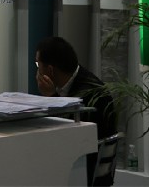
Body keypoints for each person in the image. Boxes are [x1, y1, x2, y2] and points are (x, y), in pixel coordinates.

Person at [35, 36, 117, 186]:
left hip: (82, 171)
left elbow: (68, 133)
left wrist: (51, 97)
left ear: (50, 70)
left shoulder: (90, 94)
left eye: (38, 65)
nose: (37, 71)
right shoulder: (78, 78)